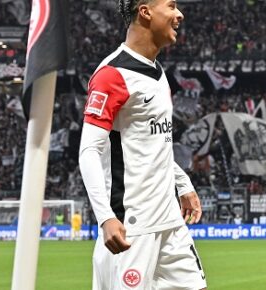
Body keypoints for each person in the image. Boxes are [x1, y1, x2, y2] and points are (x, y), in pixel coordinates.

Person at [78, 1, 206, 289]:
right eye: (172, 6)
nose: (179, 14)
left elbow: (152, 143)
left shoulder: (158, 72)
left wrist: (182, 184)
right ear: (145, 12)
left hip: (170, 221)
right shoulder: (112, 75)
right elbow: (88, 151)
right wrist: (105, 217)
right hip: (133, 227)